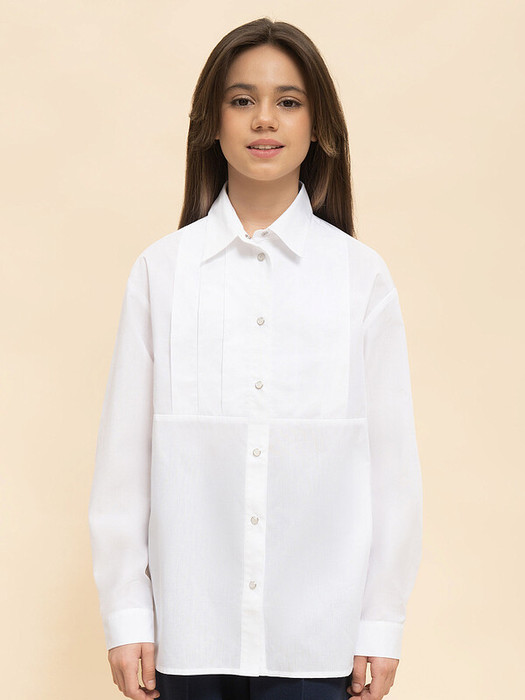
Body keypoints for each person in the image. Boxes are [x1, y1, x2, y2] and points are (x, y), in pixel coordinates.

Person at [88, 16, 423, 700]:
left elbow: (391, 470)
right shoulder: (161, 272)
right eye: (241, 100)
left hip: (317, 641)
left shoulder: (359, 278)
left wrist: (380, 622)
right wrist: (127, 613)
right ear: (211, 122)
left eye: (288, 101)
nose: (264, 119)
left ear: (318, 125)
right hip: (188, 635)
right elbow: (124, 462)